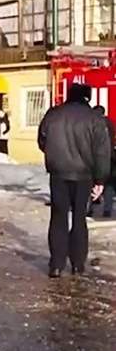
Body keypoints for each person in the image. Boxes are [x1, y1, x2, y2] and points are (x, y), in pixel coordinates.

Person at [38, 83, 111, 278]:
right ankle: (78, 263)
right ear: (88, 98)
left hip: (58, 174)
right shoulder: (94, 119)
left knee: (58, 217)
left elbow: (42, 141)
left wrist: (55, 155)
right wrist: (100, 179)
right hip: (83, 175)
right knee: (79, 218)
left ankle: (56, 264)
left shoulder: (53, 114)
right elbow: (102, 152)